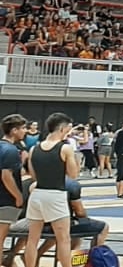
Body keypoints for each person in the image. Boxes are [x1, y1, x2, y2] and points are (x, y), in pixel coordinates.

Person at [23, 112, 77, 267]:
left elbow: (33, 175)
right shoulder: (65, 148)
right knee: (63, 239)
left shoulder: (34, 149)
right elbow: (73, 175)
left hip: (37, 194)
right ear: (63, 128)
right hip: (55, 195)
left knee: (32, 239)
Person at [0, 114, 26, 252]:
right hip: (5, 201)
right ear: (14, 130)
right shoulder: (11, 150)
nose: (25, 131)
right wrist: (18, 196)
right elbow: (6, 176)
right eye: (23, 128)